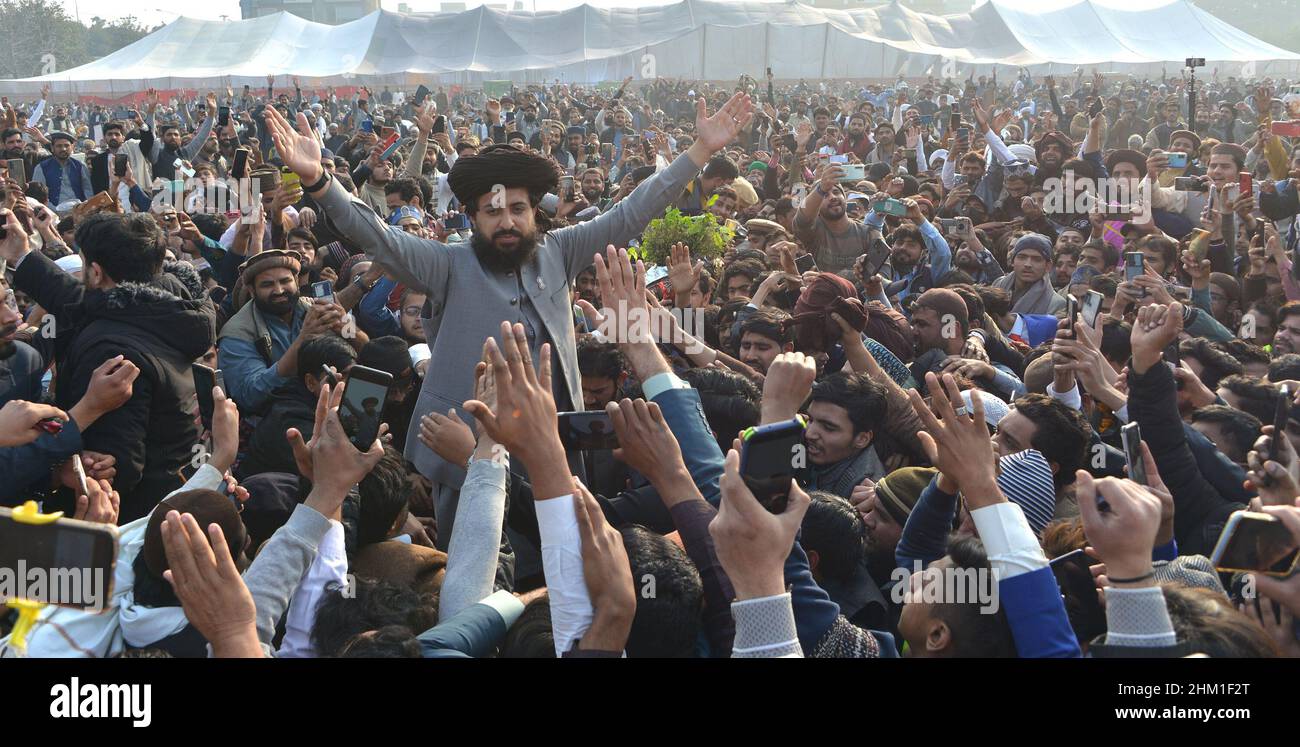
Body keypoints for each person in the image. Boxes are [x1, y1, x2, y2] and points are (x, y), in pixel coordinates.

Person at [262, 93, 754, 547]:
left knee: (558, 553)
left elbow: (632, 212)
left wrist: (698, 153)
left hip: (552, 444)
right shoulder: (447, 264)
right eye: (492, 212)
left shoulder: (561, 251)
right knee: (479, 562)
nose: (506, 221)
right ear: (473, 218)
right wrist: (320, 183)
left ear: (534, 215)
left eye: (518, 209)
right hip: (467, 448)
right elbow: (379, 239)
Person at [0, 210, 215, 520]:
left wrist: (70, 467)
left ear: (96, 273)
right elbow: (89, 300)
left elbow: (114, 469)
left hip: (127, 518)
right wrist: (22, 255)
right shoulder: (169, 306)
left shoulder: (110, 350)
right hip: (172, 498)